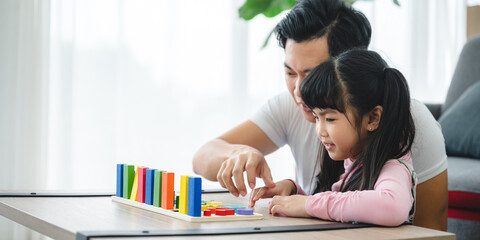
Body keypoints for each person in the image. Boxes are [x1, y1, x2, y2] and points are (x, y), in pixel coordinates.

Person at [192, 0, 447, 230]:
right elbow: (203, 156)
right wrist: (243, 157)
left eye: (312, 75)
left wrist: (308, 204)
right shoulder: (291, 106)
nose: (300, 90)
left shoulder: (409, 122)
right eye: (290, 73)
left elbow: (429, 230)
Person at [249, 49, 416, 226]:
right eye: (316, 117)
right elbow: (342, 211)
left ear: (373, 118)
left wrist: (309, 204)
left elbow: (392, 207)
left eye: (330, 118)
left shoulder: (393, 167)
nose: (320, 130)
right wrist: (294, 194)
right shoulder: (350, 161)